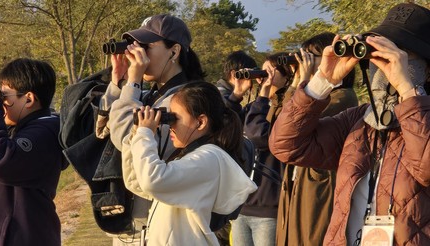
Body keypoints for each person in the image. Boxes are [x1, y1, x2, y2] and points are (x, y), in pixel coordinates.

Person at [269, 3, 430, 245]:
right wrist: (323, 81)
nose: (383, 64)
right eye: (375, 53)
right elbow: (286, 145)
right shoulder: (357, 121)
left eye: (396, 54)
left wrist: (408, 91)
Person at [99, 14, 205, 245]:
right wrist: (119, 82)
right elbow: (103, 130)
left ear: (174, 51)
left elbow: (124, 137)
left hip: (160, 225)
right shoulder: (151, 95)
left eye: (145, 46)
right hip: (137, 220)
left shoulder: (186, 100)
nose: (137, 53)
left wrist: (134, 80)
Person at [123, 81, 257, 246]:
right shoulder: (194, 156)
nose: (169, 125)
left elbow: (152, 180)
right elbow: (138, 183)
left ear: (200, 122)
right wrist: (137, 133)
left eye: (175, 118)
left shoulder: (209, 158)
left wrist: (146, 133)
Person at [0, 58, 65, 245]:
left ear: (28, 99)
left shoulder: (44, 133)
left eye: (5, 97)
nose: (1, 104)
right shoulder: (17, 130)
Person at [275, 32, 359, 246]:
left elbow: (298, 125)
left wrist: (304, 81)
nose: (306, 61)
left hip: (318, 188)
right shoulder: (313, 93)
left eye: (313, 56)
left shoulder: (343, 97)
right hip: (298, 183)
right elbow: (280, 127)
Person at [230, 53, 290, 246]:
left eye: (270, 72)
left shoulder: (286, 109)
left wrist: (262, 96)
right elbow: (223, 127)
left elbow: (258, 136)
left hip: (267, 209)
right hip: (241, 206)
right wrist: (236, 95)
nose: (264, 77)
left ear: (287, 76)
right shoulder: (256, 107)